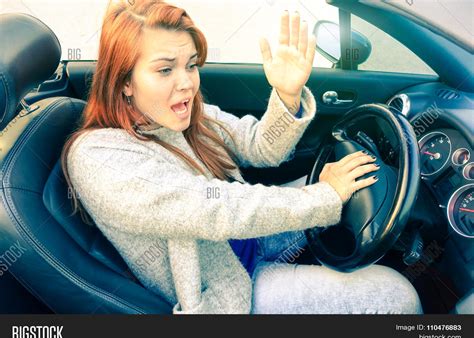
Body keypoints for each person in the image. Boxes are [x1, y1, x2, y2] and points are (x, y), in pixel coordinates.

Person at [62, 0, 422, 314]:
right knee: (396, 296)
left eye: (191, 65)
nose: (186, 82)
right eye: (165, 69)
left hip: (252, 239)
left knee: (364, 180)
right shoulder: (98, 157)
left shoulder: (184, 113)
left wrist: (287, 94)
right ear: (125, 80)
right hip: (231, 292)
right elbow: (213, 205)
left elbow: (260, 146)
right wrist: (324, 196)